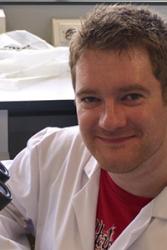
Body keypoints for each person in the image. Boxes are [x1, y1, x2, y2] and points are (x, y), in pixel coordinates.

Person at [1, 3, 167, 250]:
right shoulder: (50, 154)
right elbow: (7, 208)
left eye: (131, 97)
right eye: (90, 99)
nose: (109, 121)